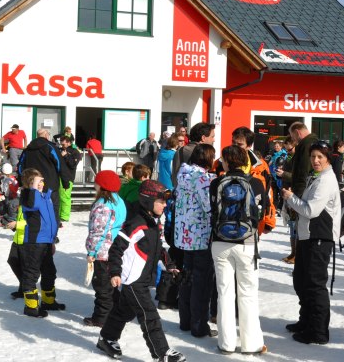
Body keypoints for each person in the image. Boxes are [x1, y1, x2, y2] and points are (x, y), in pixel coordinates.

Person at [97, 180, 186, 362]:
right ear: (147, 201)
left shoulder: (153, 222)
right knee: (149, 315)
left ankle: (106, 338)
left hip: (144, 277)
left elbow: (158, 248)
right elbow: (116, 249)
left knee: (125, 311)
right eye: (160, 201)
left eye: (165, 201)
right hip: (133, 279)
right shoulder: (136, 223)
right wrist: (114, 272)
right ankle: (162, 354)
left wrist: (169, 264)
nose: (164, 205)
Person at [209, 146, 267, 355]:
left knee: (224, 293)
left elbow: (212, 209)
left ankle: (226, 343)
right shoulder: (255, 183)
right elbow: (264, 211)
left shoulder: (216, 183)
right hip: (247, 243)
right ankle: (251, 344)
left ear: (226, 162)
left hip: (219, 242)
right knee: (248, 294)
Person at [282, 141, 341, 345]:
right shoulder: (317, 177)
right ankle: (306, 321)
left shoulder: (326, 180)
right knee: (301, 281)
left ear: (327, 158)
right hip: (308, 236)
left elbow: (311, 210)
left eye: (320, 157)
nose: (315, 160)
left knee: (315, 285)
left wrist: (291, 199)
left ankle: (318, 331)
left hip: (319, 237)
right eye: (313, 156)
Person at [174, 144, 218, 338]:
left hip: (184, 234)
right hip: (200, 235)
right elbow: (207, 206)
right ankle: (199, 325)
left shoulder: (183, 173)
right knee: (201, 282)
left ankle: (185, 321)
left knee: (187, 278)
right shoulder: (201, 178)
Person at [18, 168, 65, 317]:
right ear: (30, 183)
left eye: (42, 181)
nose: (41, 184)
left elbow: (50, 222)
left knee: (50, 272)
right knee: (32, 274)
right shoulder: (28, 196)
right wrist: (32, 188)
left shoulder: (46, 197)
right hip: (34, 242)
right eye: (38, 181)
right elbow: (31, 203)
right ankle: (31, 307)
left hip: (46, 242)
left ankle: (48, 301)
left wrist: (52, 242)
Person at [83, 170, 127, 327]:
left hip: (102, 252)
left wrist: (91, 252)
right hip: (114, 251)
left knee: (102, 287)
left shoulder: (103, 205)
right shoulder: (118, 201)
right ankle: (114, 312)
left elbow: (98, 232)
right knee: (111, 285)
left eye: (96, 183)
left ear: (102, 186)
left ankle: (101, 318)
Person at [277, 122, 319, 264]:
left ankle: (300, 256)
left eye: (292, 135)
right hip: (300, 190)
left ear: (298, 132)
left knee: (300, 226)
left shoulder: (307, 144)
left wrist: (296, 193)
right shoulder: (308, 143)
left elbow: (303, 172)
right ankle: (297, 254)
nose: (292, 139)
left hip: (302, 192)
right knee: (295, 225)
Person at [18, 128, 64, 220]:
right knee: (51, 210)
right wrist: (65, 180)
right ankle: (51, 233)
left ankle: (36, 230)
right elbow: (60, 164)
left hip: (31, 184)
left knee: (34, 209)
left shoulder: (27, 150)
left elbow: (20, 167)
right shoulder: (51, 147)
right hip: (50, 185)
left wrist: (21, 181)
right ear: (47, 135)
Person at [172, 122, 216, 188]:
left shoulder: (180, 151)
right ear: (203, 138)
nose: (214, 140)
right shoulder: (205, 153)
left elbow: (175, 175)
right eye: (212, 137)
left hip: (181, 192)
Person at [58, 135, 81, 223]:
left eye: (64, 144)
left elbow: (72, 165)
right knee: (59, 196)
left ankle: (64, 216)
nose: (62, 146)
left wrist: (65, 156)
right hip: (59, 176)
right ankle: (59, 214)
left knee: (65, 197)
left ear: (69, 143)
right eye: (61, 144)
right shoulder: (60, 150)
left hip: (68, 177)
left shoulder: (75, 152)